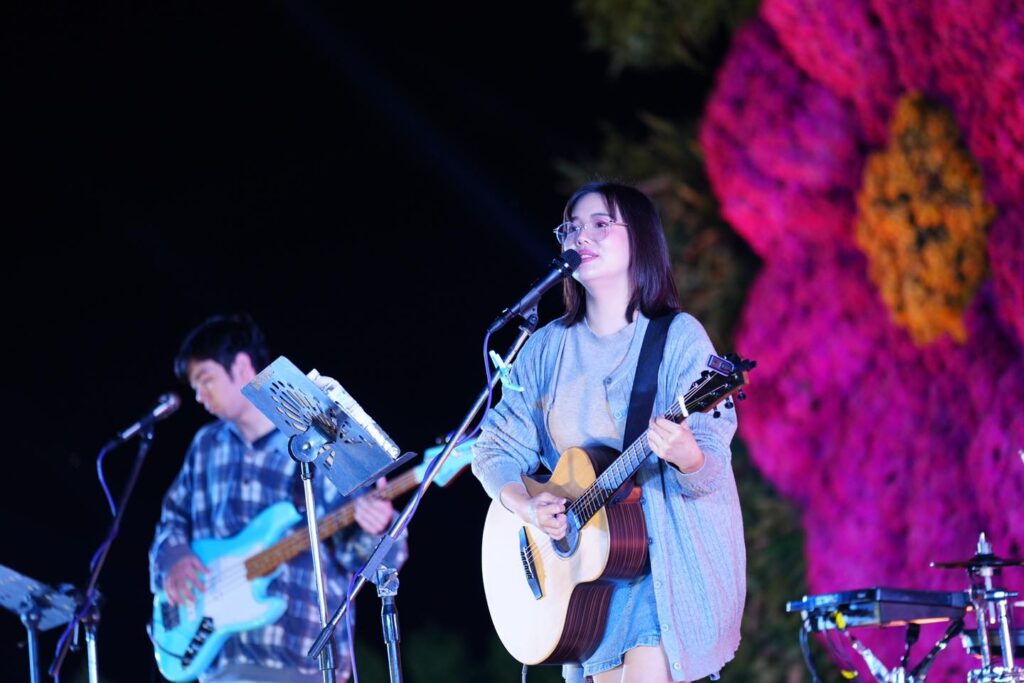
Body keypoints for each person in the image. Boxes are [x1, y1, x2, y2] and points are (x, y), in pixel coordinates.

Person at [471, 182, 746, 683]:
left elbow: (710, 461)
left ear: (640, 238)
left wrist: (687, 455)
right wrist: (526, 506)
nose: (582, 236)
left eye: (601, 224)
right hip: (586, 581)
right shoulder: (545, 348)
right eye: (572, 228)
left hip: (661, 563)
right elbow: (494, 448)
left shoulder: (677, 336)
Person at [149, 313, 406, 682]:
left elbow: (371, 561)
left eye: (205, 379)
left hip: (304, 660)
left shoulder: (318, 441)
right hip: (222, 663)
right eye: (195, 387)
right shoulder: (206, 446)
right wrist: (174, 557)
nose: (199, 396)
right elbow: (171, 521)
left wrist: (375, 527)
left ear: (240, 366)